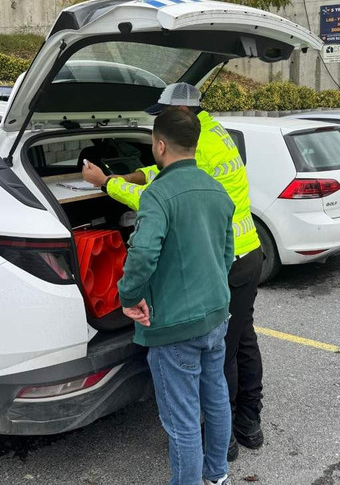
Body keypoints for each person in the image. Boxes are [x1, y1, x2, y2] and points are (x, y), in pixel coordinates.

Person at [83, 83, 264, 461]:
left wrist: (107, 184)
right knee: (242, 340)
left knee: (224, 357)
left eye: (162, 118)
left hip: (223, 259)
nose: (157, 125)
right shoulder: (211, 132)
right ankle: (249, 423)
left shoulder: (201, 148)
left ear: (179, 115)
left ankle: (223, 440)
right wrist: (135, 174)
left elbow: (162, 198)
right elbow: (169, 170)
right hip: (246, 253)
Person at [117, 107, 234, 485]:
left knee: (182, 421)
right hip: (216, 315)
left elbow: (144, 253)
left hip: (174, 327)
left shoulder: (158, 194)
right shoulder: (217, 189)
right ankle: (217, 476)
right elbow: (226, 252)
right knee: (215, 399)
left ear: (160, 145)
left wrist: (128, 295)